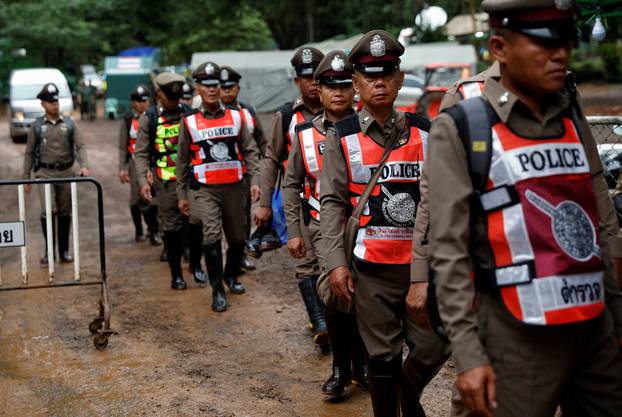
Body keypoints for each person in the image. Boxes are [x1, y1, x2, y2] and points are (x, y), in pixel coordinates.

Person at [427, 1, 622, 416]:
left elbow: (594, 207)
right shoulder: (465, 126)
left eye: (566, 42)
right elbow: (448, 249)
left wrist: (615, 312)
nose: (561, 55)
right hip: (518, 336)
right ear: (499, 46)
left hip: (594, 329)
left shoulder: (570, 114)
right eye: (543, 44)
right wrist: (468, 354)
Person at [320, 30, 447, 417]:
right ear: (356, 82)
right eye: (370, 75)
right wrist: (336, 263)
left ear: (400, 79)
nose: (379, 83)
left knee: (434, 347)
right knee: (382, 354)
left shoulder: (426, 133)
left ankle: (406, 398)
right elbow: (331, 204)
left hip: (420, 270)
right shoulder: (341, 137)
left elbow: (441, 201)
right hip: (370, 270)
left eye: (387, 74)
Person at [283, 50, 369, 397]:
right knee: (333, 294)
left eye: (345, 85)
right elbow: (291, 183)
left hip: (365, 226)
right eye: (330, 86)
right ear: (317, 90)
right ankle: (339, 367)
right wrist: (292, 231)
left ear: (355, 89)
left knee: (364, 296)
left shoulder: (369, 128)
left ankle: (361, 363)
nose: (338, 93)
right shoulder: (304, 134)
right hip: (322, 227)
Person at [176, 62, 261, 312]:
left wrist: (255, 181)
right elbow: (181, 160)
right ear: (198, 88)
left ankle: (231, 275)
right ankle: (217, 290)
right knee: (211, 235)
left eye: (216, 85)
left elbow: (250, 150)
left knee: (237, 239)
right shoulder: (189, 121)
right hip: (205, 189)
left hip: (235, 187)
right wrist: (182, 195)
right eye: (206, 85)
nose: (212, 90)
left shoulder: (236, 117)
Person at [250, 47, 325, 259]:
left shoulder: (341, 113)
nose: (312, 83)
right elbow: (272, 159)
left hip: (334, 197)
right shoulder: (286, 116)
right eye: (306, 78)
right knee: (304, 261)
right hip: (298, 199)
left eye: (316, 78)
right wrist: (265, 205)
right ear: (296, 82)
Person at [134, 72, 206, 290]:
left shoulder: (191, 114)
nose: (175, 101)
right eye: (170, 97)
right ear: (158, 94)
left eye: (177, 97)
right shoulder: (150, 117)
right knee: (172, 228)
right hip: (165, 183)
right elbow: (141, 153)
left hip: (192, 180)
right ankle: (176, 274)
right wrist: (143, 181)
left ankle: (195, 264)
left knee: (198, 222)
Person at [23, 83, 90, 265]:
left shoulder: (69, 124)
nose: (55, 105)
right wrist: (26, 177)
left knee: (64, 212)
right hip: (44, 173)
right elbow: (29, 153)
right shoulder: (37, 126)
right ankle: (49, 251)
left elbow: (80, 146)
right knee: (48, 211)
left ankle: (64, 251)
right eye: (50, 102)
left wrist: (84, 166)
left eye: (56, 101)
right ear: (43, 104)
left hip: (66, 173)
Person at [219, 65, 268, 272]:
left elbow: (261, 139)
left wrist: (267, 165)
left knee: (244, 214)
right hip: (221, 172)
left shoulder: (247, 111)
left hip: (246, 172)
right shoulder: (212, 112)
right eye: (223, 87)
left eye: (231, 87)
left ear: (238, 88)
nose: (227, 91)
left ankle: (242, 256)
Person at [118, 84, 161, 245]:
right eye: (139, 101)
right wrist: (122, 168)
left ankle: (154, 229)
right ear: (133, 103)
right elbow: (123, 146)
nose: (143, 104)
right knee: (136, 201)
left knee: (154, 200)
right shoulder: (128, 120)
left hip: (153, 162)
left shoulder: (154, 116)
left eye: (145, 100)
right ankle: (139, 230)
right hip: (134, 163)